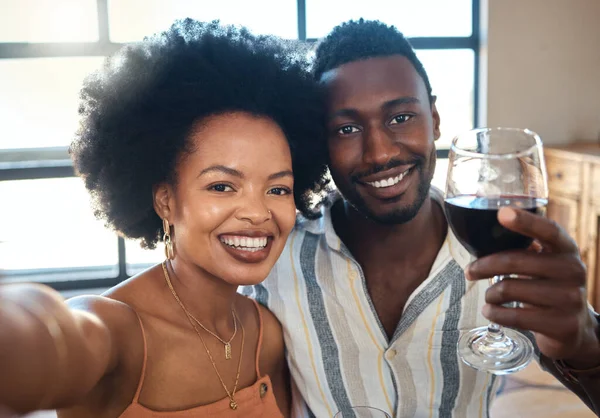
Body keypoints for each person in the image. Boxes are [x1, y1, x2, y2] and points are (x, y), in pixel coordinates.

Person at [244, 19, 600, 417]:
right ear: (320, 142)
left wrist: (585, 343)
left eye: (400, 117)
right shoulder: (276, 263)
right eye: (346, 128)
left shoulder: (510, 257)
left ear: (434, 117)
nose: (379, 153)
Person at [0, 19, 329, 417]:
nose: (258, 212)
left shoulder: (268, 336)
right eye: (222, 186)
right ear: (165, 200)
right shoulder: (118, 332)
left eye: (277, 189)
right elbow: (57, 341)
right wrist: (24, 328)